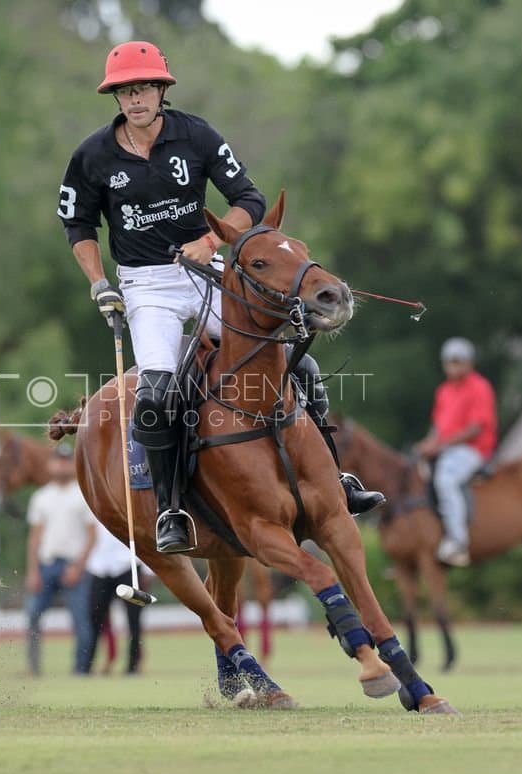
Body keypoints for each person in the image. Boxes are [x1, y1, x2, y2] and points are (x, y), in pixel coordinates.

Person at [57, 40, 382, 554]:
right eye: (124, 91)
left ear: (162, 89)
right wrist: (101, 283)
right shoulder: (92, 156)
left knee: (298, 368)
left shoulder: (196, 135)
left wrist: (211, 240)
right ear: (115, 97)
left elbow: (249, 200)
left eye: (143, 87)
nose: (134, 98)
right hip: (147, 285)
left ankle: (335, 479)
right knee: (156, 396)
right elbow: (78, 225)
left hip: (208, 271)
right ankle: (171, 510)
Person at [415, 338, 497, 567]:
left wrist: (440, 445)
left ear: (469, 363)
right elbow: (438, 428)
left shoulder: (479, 386)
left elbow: (475, 427)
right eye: (450, 362)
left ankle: (458, 541)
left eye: (458, 362)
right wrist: (426, 445)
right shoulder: (444, 391)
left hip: (474, 449)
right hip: (447, 448)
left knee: (446, 479)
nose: (453, 366)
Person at [25, 443, 96, 676]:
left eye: (67, 460)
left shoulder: (83, 494)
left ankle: (80, 669)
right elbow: (35, 538)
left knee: (81, 620)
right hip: (47, 564)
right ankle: (33, 668)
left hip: (72, 565)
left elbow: (92, 536)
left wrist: (78, 567)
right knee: (33, 614)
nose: (62, 465)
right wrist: (33, 571)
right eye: (58, 460)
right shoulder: (42, 496)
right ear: (50, 464)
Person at [84, 520, 145, 675]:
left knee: (134, 619)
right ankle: (86, 665)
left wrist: (148, 570)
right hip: (100, 567)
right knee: (95, 618)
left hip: (128, 565)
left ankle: (133, 665)